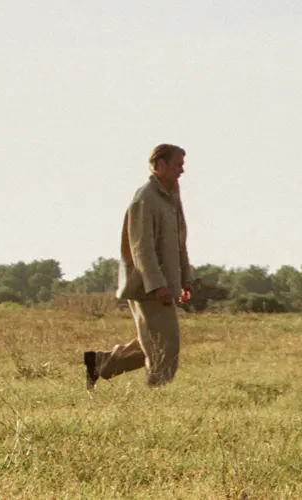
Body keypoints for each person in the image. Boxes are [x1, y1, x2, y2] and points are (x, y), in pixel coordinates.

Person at [83, 144, 195, 389]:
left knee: (154, 339)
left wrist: (185, 279)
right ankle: (158, 394)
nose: (182, 170)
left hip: (165, 285)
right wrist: (158, 285)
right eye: (177, 164)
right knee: (165, 344)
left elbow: (179, 243)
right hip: (148, 287)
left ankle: (100, 362)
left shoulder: (171, 197)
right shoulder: (145, 199)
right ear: (160, 165)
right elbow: (140, 248)